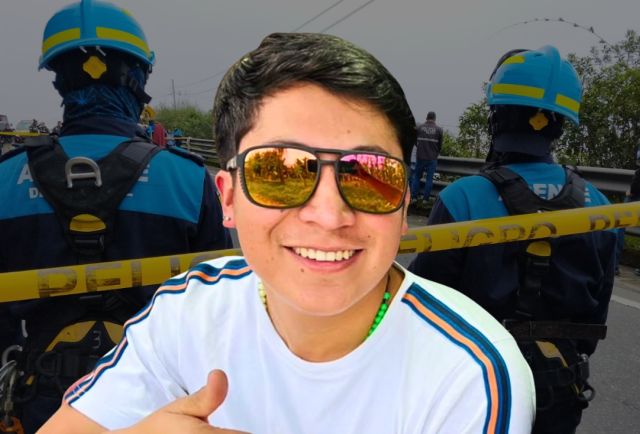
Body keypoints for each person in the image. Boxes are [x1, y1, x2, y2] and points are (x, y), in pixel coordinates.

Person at [39, 32, 535, 434]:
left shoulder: (467, 373)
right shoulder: (189, 312)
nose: (329, 215)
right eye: (278, 171)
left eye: (369, 176)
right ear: (228, 199)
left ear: (404, 205)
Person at [0, 1, 232, 432]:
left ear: (59, 80)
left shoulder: (4, 181)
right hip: (160, 404)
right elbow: (216, 311)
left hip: (44, 405)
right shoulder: (187, 179)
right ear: (139, 79)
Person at [408, 46, 616, 434]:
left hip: (474, 387)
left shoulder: (462, 198)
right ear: (560, 125)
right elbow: (593, 320)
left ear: (495, 117)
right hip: (559, 387)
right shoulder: (603, 208)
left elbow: (423, 308)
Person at [410, 112, 443, 205]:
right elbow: (440, 145)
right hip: (432, 158)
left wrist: (420, 149)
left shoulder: (420, 128)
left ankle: (414, 198)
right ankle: (425, 199)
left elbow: (415, 142)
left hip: (420, 157)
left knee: (417, 177)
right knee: (429, 179)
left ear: (426, 117)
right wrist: (435, 152)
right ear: (435, 119)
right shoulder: (439, 130)